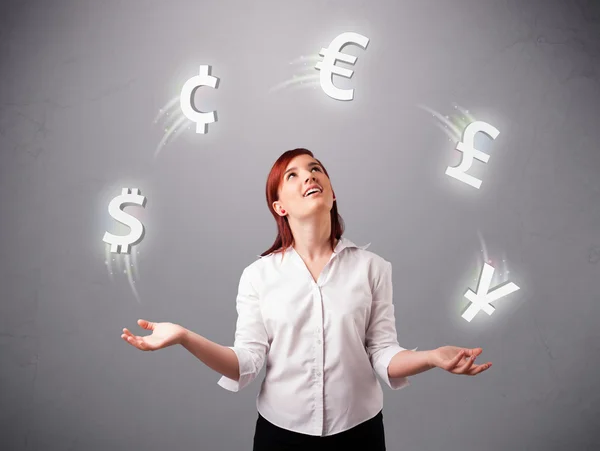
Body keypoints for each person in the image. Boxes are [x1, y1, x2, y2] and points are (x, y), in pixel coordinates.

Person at [121, 148, 492, 450]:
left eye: (315, 169)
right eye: (292, 175)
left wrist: (432, 357)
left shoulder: (373, 268)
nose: (309, 177)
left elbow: (383, 354)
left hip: (359, 433)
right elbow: (245, 364)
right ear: (279, 206)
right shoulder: (258, 276)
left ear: (332, 193)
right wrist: (185, 337)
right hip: (280, 437)